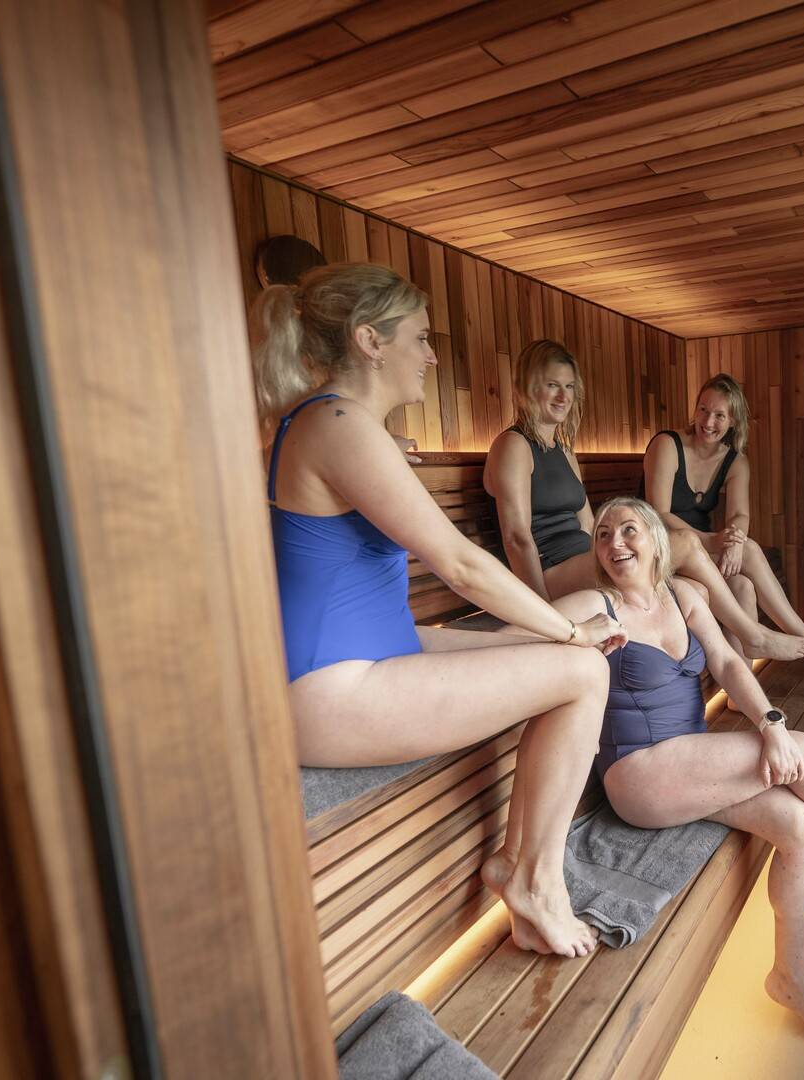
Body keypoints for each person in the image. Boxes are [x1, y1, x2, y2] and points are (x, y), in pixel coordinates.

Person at [253, 262, 627, 958]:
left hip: (373, 652)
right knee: (582, 671)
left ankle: (524, 870)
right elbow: (459, 564)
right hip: (331, 689)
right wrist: (570, 630)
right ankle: (532, 880)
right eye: (420, 338)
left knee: (549, 649)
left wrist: (556, 635)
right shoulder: (337, 425)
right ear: (370, 340)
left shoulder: (328, 423)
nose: (430, 355)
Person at [519, 497, 804, 1052]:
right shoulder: (592, 602)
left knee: (800, 827)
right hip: (637, 775)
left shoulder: (684, 595)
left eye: (628, 530)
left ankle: (791, 979)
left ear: (654, 540)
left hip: (690, 764)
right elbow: (518, 628)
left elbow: (727, 663)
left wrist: (769, 723)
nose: (614, 543)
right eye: (602, 534)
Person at [484, 340, 804, 662]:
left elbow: (588, 523)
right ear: (528, 387)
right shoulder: (513, 446)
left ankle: (693, 684)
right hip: (550, 571)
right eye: (552, 385)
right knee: (682, 542)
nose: (563, 396)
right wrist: (544, 616)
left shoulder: (564, 450)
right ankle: (752, 635)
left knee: (692, 591)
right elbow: (517, 538)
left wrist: (613, 556)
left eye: (569, 386)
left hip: (586, 563)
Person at [644, 373, 804, 669]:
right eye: (703, 409)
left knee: (743, 585)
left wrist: (734, 542)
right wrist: (714, 541)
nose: (708, 421)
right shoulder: (667, 445)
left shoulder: (735, 462)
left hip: (701, 547)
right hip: (660, 546)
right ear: (695, 409)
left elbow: (739, 516)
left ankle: (740, 691)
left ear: (733, 421)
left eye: (720, 415)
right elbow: (658, 513)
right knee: (752, 552)